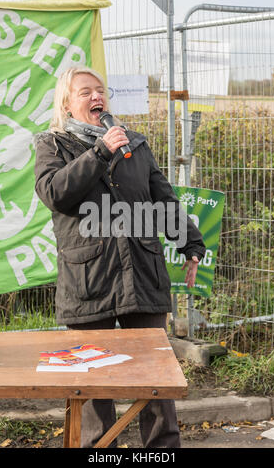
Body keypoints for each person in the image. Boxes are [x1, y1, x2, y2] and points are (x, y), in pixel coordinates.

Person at [34, 65, 206, 448]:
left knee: (155, 379)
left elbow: (164, 200)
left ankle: (162, 451)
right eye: (85, 92)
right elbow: (54, 193)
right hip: (88, 277)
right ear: (66, 102)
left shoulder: (136, 144)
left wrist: (190, 244)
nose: (97, 97)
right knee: (94, 384)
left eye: (101, 91)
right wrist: (99, 151)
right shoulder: (53, 144)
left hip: (142, 272)